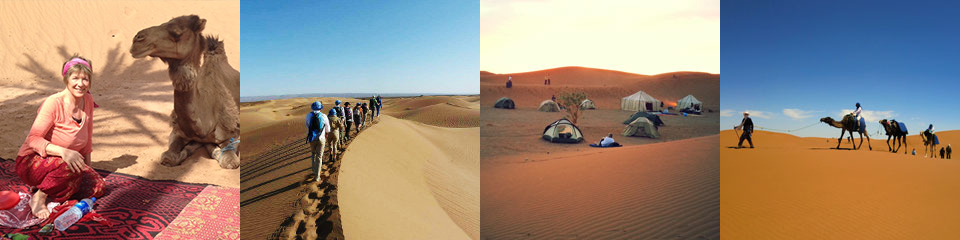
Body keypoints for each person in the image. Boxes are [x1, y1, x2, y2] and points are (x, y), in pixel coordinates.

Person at [17, 56, 106, 219]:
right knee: (67, 165)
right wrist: (63, 152)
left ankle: (55, 186)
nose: (81, 84)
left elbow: (87, 140)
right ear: (66, 79)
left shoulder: (87, 100)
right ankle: (40, 196)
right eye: (75, 78)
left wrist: (88, 170)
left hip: (65, 162)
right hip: (32, 161)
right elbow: (33, 139)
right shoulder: (53, 103)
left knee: (98, 187)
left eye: (85, 79)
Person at [305, 101, 330, 182]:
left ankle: (313, 170)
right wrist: (325, 134)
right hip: (321, 139)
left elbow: (307, 125)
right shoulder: (324, 116)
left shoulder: (309, 115)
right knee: (319, 157)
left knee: (313, 154)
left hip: (312, 139)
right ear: (320, 108)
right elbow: (328, 129)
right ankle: (317, 176)